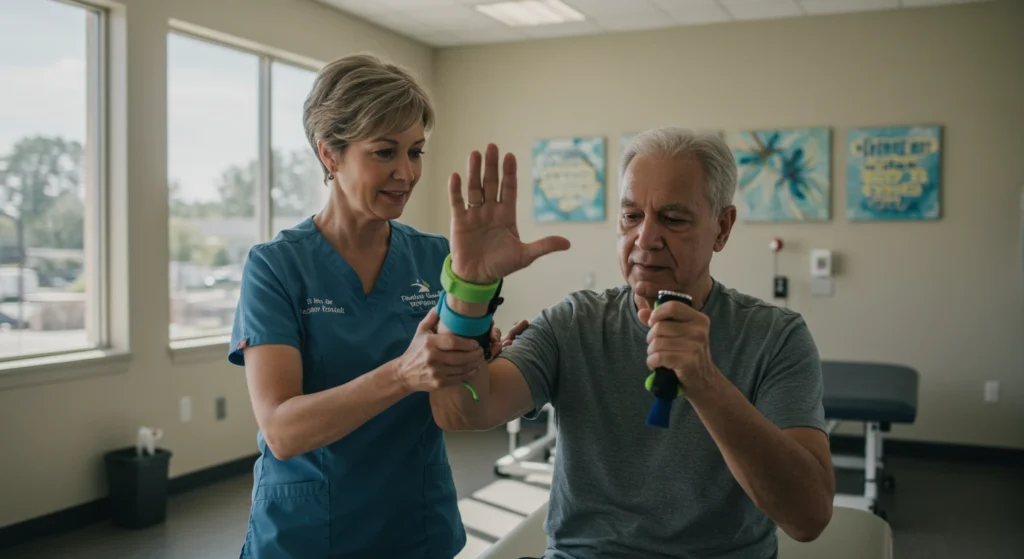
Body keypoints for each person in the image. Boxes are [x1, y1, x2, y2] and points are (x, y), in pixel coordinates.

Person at [431, 127, 836, 558]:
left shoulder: (776, 337)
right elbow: (460, 410)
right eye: (631, 216)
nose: (645, 238)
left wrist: (704, 382)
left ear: (722, 227)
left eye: (673, 218)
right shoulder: (575, 322)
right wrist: (470, 290)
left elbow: (807, 517)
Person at [227, 53, 517, 558]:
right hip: (309, 533)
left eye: (416, 151)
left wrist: (483, 360)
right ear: (330, 154)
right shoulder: (277, 267)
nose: (406, 172)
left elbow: (464, 403)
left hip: (416, 526)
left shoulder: (438, 258)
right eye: (385, 152)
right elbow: (282, 430)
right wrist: (402, 374)